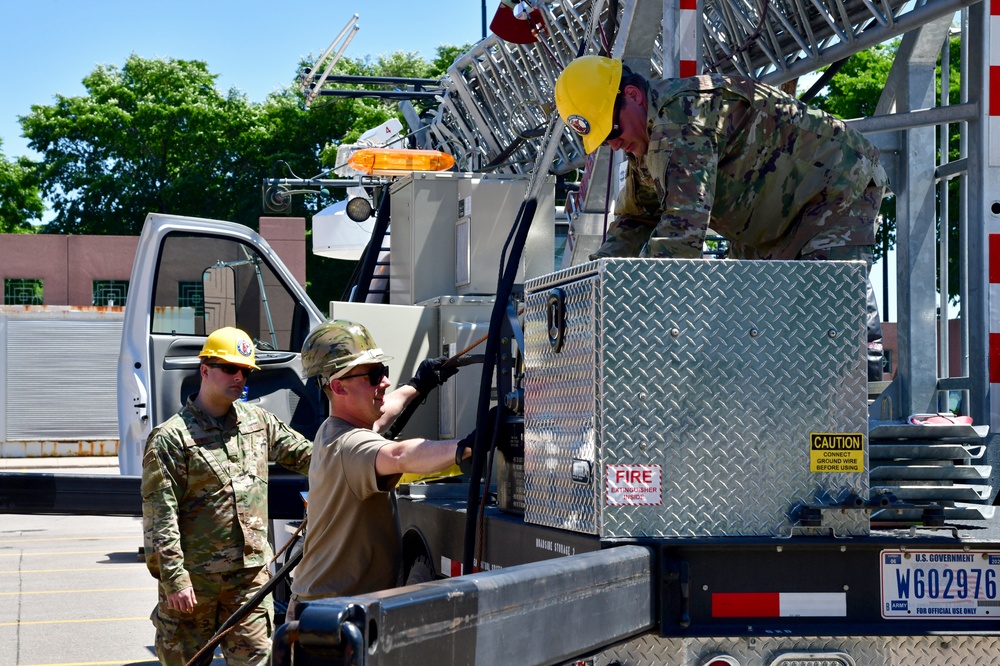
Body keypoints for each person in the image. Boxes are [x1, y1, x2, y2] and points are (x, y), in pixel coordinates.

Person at [554, 55, 889, 381]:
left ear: (632, 95)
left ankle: (846, 423)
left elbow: (681, 236)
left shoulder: (683, 119)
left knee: (820, 333)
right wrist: (591, 288)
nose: (614, 145)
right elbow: (634, 221)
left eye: (612, 131)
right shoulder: (645, 140)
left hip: (838, 187)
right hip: (769, 221)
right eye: (604, 141)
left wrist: (633, 313)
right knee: (747, 337)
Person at [141, 326, 313, 665]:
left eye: (246, 371)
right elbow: (160, 515)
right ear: (205, 370)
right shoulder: (171, 438)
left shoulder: (258, 423)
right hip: (194, 583)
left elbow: (310, 456)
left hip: (248, 581)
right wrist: (174, 579)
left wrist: (362, 452)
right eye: (231, 368)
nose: (240, 377)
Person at [287, 319, 472, 615]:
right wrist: (467, 446)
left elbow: (385, 412)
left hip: (327, 609)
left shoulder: (333, 428)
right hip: (330, 619)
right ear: (338, 386)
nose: (385, 382)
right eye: (374, 376)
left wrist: (418, 384)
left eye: (383, 372)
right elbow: (399, 455)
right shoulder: (349, 445)